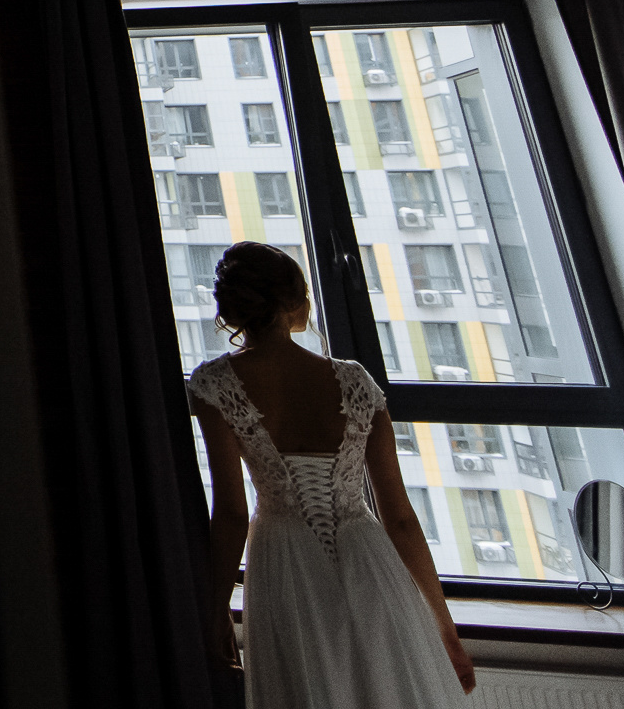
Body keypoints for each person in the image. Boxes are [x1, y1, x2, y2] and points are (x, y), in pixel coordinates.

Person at [187, 241, 478, 705]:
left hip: (284, 564)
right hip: (368, 560)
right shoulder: (355, 382)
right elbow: (401, 518)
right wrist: (446, 631)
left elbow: (231, 515)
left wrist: (216, 608)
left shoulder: (214, 384)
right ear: (295, 300)